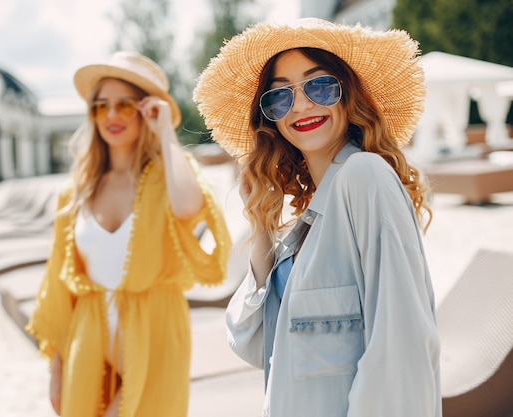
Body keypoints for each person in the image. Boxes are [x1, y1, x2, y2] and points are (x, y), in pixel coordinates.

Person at [193, 18, 441, 417]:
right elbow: (253, 343)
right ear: (270, 117)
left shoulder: (365, 177)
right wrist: (261, 227)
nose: (302, 105)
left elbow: (401, 348)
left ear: (349, 94)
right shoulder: (306, 225)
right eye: (279, 97)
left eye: (319, 85)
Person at [26, 51, 232, 417]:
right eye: (101, 106)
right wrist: (57, 369)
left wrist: (166, 129)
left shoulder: (166, 178)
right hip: (88, 335)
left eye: (125, 105)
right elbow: (59, 286)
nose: (112, 116)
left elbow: (188, 208)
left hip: (155, 333)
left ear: (146, 108)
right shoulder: (76, 192)